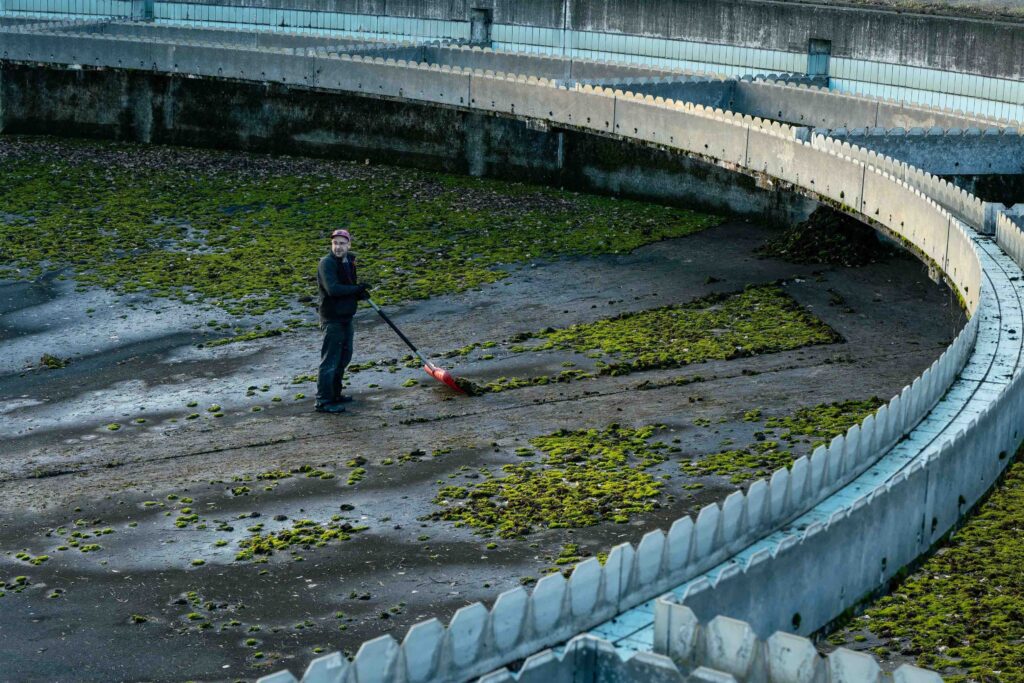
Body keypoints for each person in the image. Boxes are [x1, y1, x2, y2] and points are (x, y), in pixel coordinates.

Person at [315, 228, 369, 414]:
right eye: (335, 243)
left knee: (344, 358)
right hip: (332, 319)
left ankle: (335, 394)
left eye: (342, 243)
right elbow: (333, 289)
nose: (338, 247)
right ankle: (323, 400)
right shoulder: (326, 263)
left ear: (349, 244)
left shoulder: (349, 261)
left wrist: (359, 293)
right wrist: (355, 289)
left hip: (346, 316)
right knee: (330, 361)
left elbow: (347, 285)